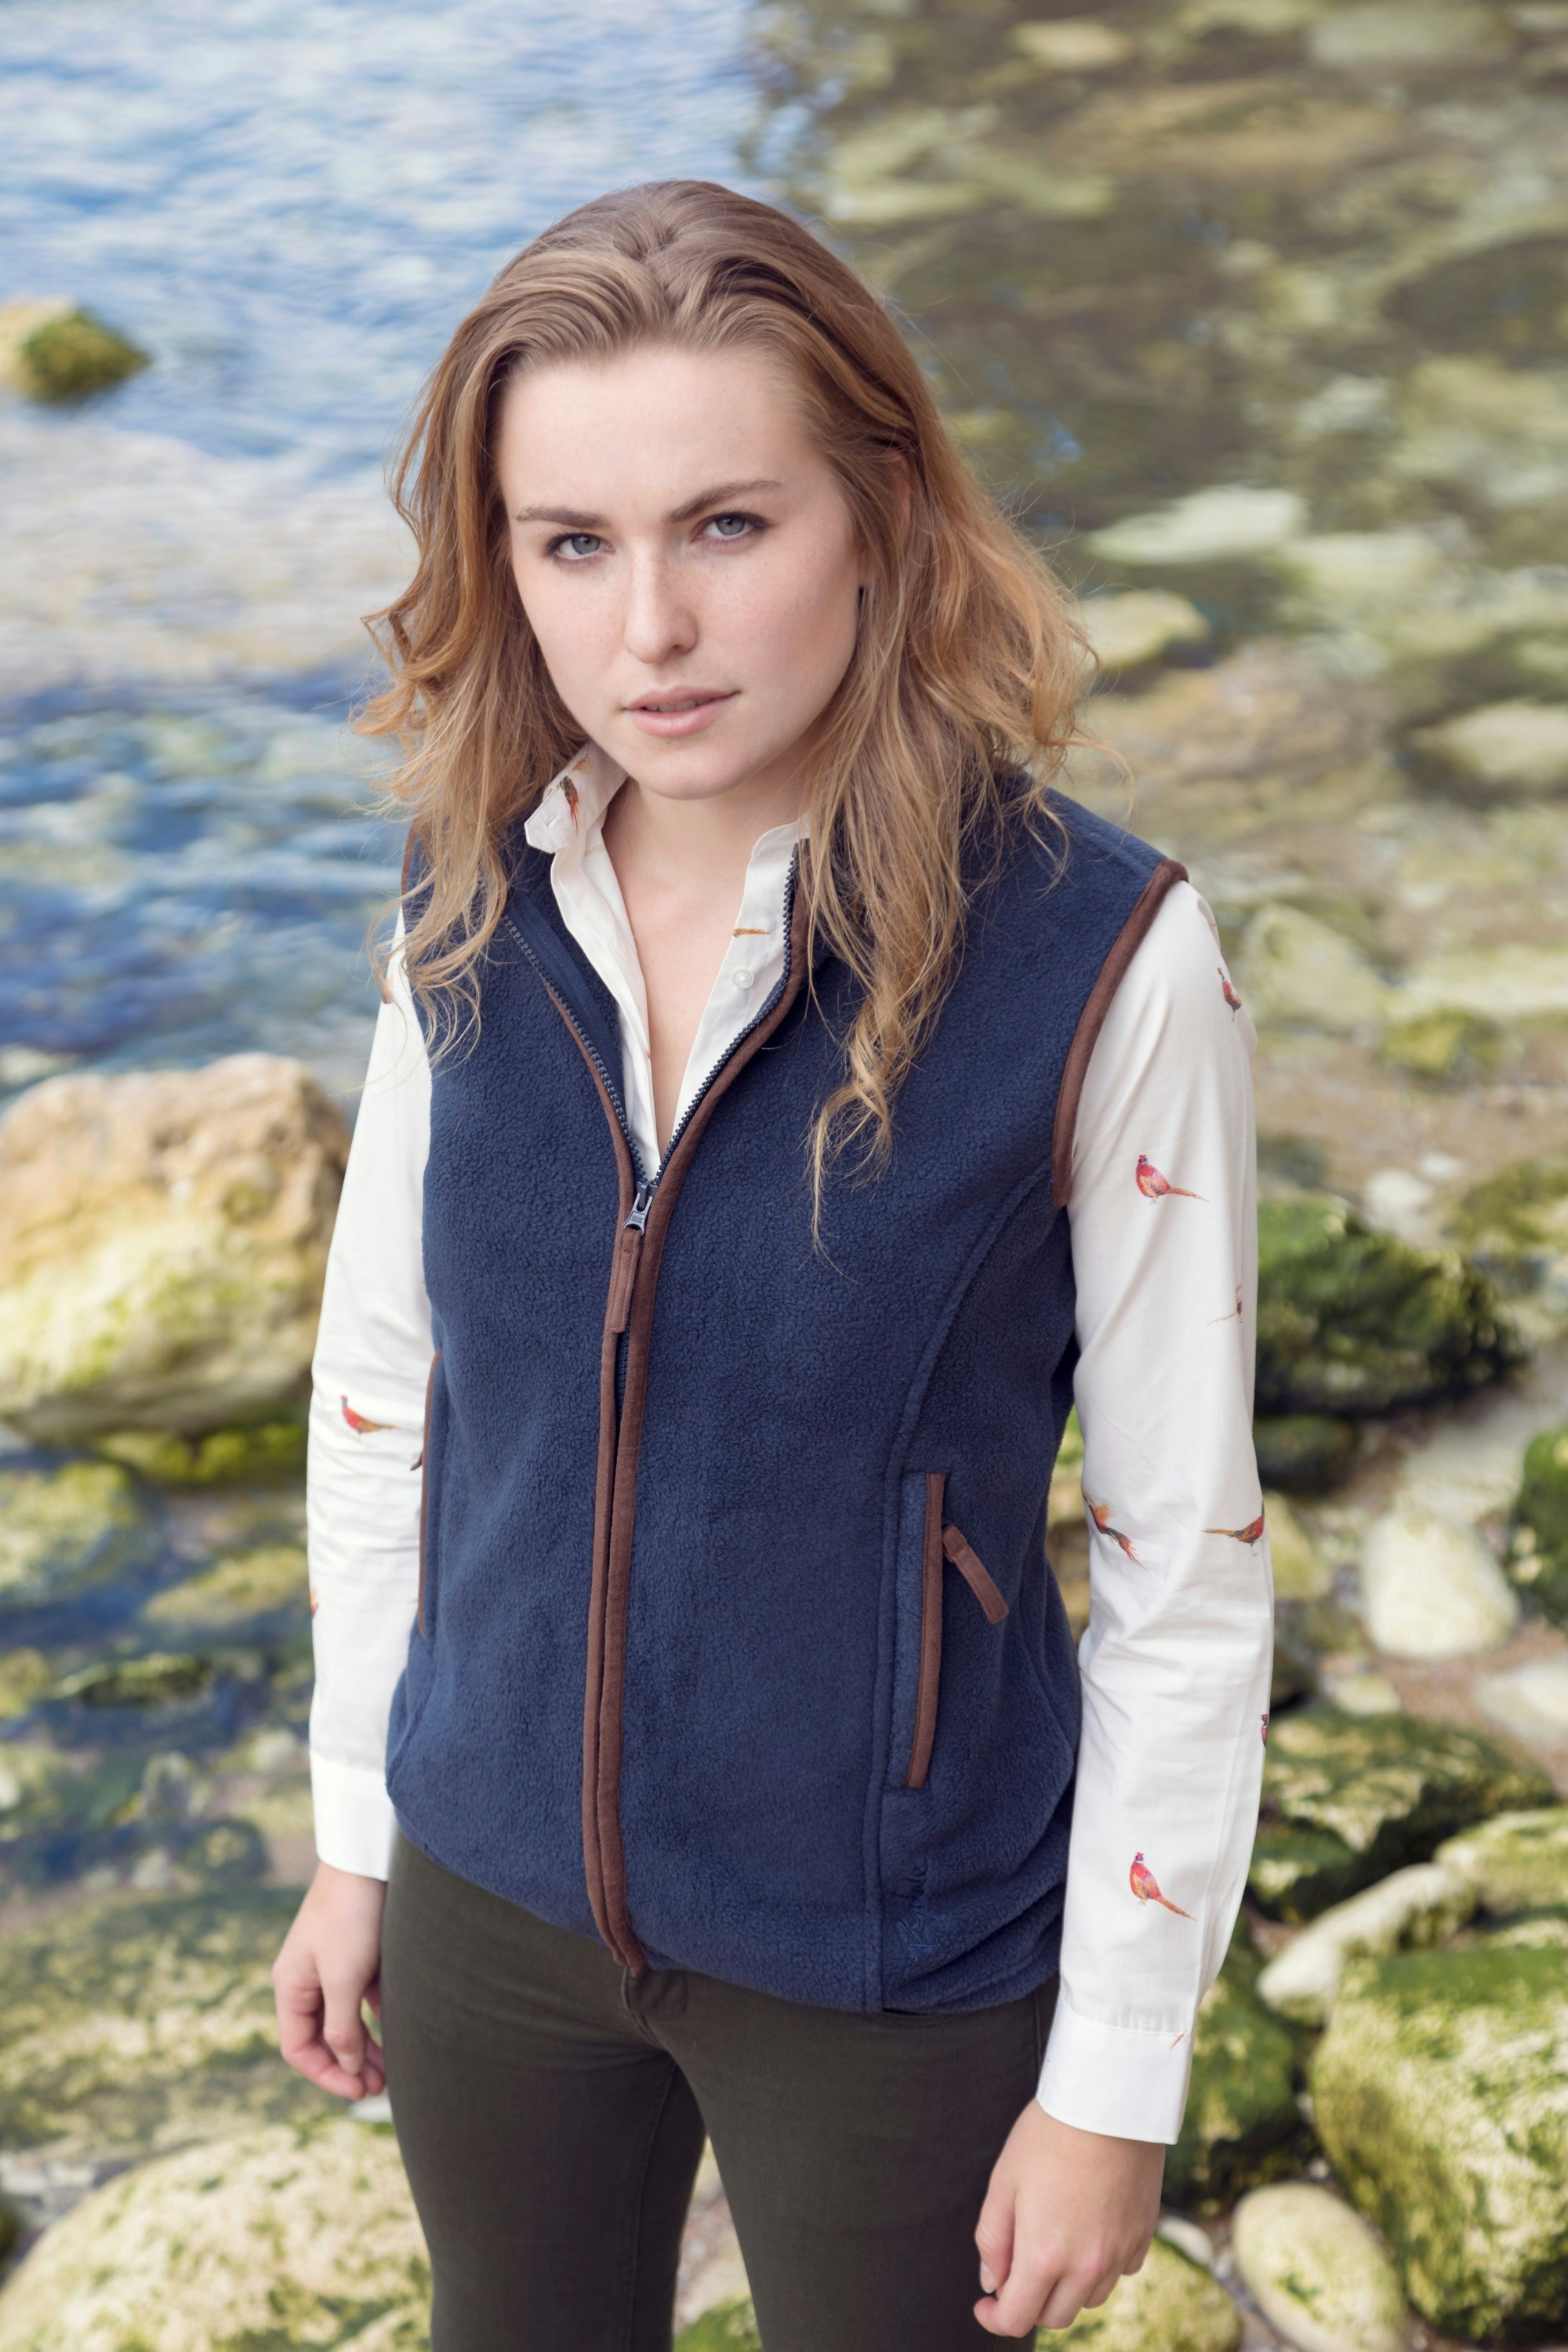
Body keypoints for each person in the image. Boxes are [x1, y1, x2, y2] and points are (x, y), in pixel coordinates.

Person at [270, 179, 1272, 2352]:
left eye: (728, 525)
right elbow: (384, 1399)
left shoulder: (1103, 959)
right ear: (501, 560)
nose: (651, 632)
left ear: (881, 515)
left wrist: (1115, 2075)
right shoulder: (468, 894)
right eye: (573, 544)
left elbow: (1187, 1559)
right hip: (489, 1898)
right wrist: (363, 1821)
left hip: (896, 1959)